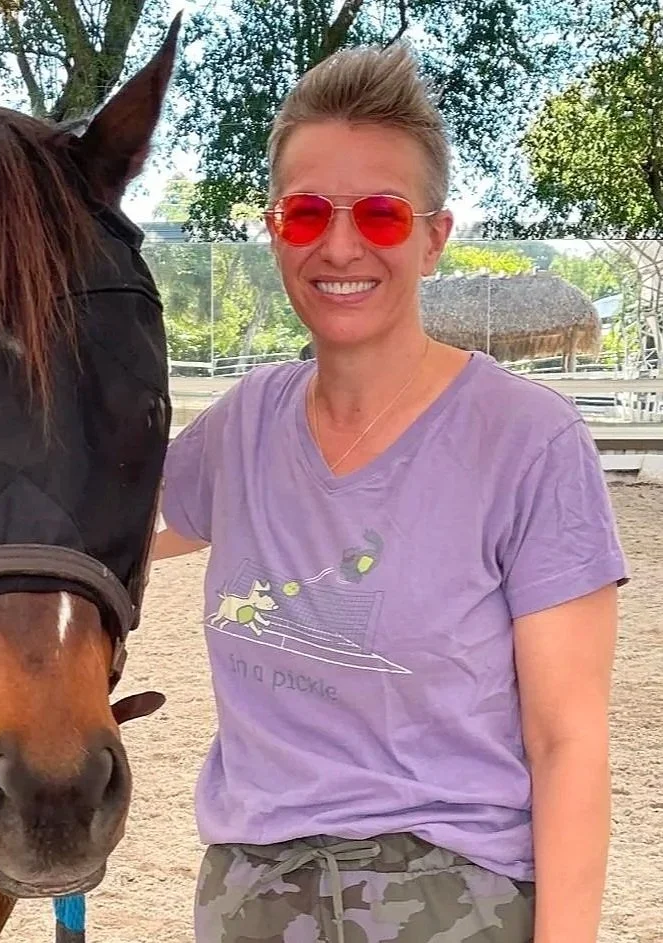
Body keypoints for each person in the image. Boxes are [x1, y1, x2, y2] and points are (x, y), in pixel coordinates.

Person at [152, 42, 628, 943]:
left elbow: (567, 742)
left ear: (431, 236)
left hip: (449, 894)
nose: (339, 246)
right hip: (250, 896)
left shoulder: (526, 441)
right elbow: (102, 530)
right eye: (305, 214)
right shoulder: (246, 422)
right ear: (272, 228)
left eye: (378, 213)